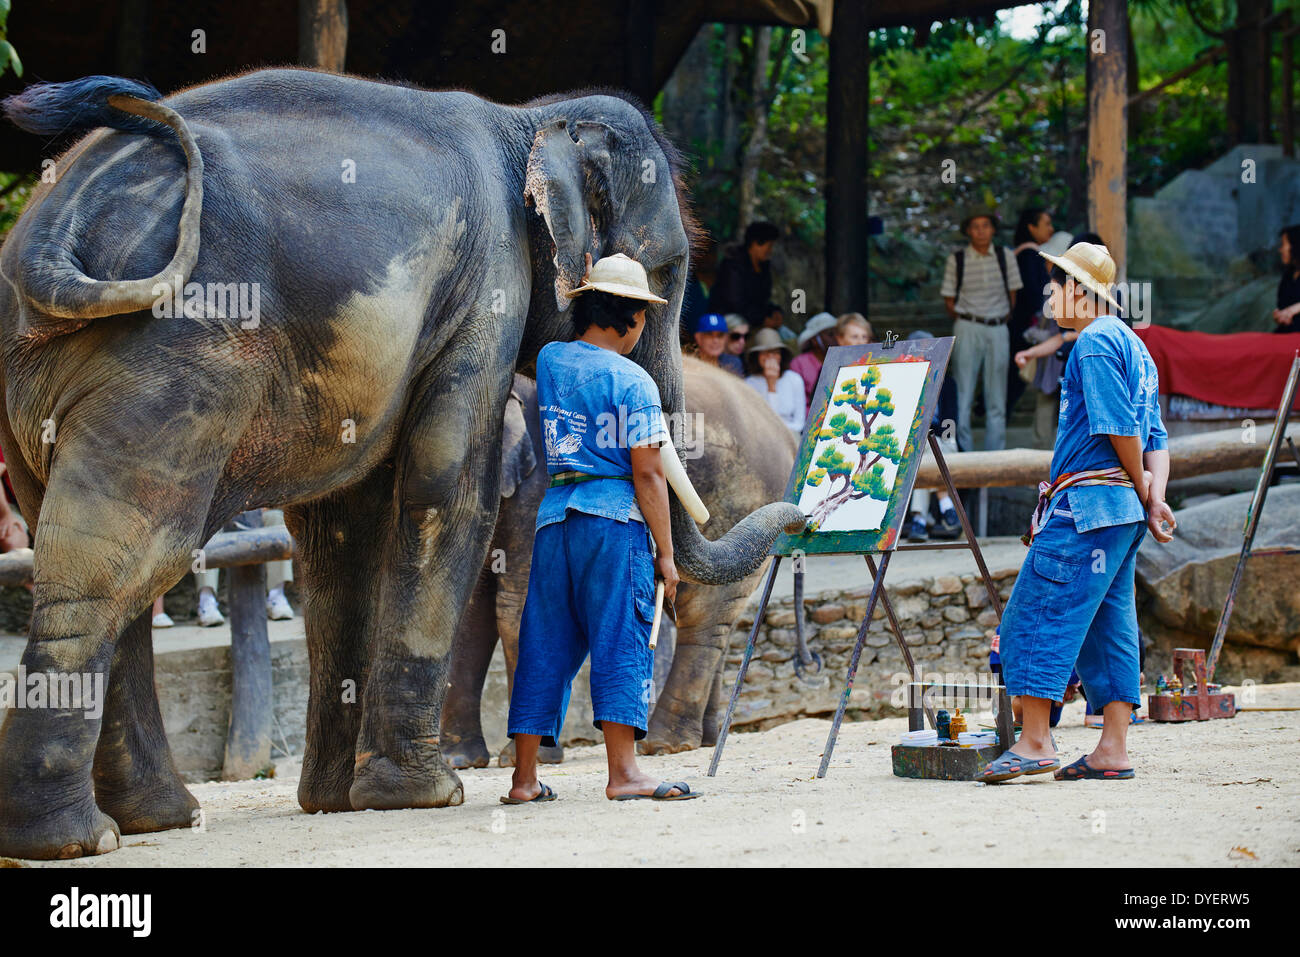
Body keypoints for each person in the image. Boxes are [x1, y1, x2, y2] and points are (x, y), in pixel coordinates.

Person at [506, 252, 698, 804]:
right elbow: (648, 472)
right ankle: (624, 774)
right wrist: (666, 551)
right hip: (615, 522)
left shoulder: (550, 361)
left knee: (543, 643)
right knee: (620, 637)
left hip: (556, 516)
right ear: (634, 318)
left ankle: (523, 781)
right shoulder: (635, 382)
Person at [981, 242, 1176, 784]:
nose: (1049, 294)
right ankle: (1112, 748)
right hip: (1121, 516)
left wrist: (1141, 490)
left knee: (1037, 613)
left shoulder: (1093, 340)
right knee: (1109, 624)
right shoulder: (1137, 346)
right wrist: (1154, 496)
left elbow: (1120, 429)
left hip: (1088, 507)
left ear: (1078, 290)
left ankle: (1036, 740)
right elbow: (1156, 435)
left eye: (1055, 283)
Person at [940, 209, 1023, 452]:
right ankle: (964, 456)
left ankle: (994, 457)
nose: (980, 231)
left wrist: (1000, 317)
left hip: (997, 327)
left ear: (993, 229)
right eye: (975, 226)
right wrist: (968, 318)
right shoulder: (957, 259)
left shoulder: (1005, 256)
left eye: (985, 225)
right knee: (963, 394)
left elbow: (1013, 295)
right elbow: (949, 300)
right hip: (967, 325)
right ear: (968, 231)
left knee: (997, 396)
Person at [902, 330, 961, 541]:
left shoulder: (948, 383)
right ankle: (947, 506)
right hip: (913, 442)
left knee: (930, 451)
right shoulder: (904, 383)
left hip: (943, 440)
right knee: (924, 449)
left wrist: (937, 439)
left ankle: (919, 520)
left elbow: (951, 422)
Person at [194, 508, 295, 626]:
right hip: (217, 515)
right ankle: (206, 600)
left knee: (277, 517)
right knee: (202, 526)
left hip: (254, 513)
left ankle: (277, 596)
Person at [1008, 208, 1054, 421]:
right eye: (1046, 223)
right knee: (1016, 379)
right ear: (1031, 227)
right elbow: (1035, 295)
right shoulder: (1030, 255)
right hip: (1027, 329)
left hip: (1020, 327)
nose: (1051, 229)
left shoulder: (1022, 254)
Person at [709, 221, 779, 329]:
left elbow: (762, 301)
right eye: (769, 246)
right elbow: (734, 303)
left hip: (753, 318)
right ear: (756, 243)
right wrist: (761, 319)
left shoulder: (764, 267)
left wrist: (775, 311)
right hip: (729, 317)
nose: (770, 251)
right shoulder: (732, 264)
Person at [744, 327, 805, 435]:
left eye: (775, 352)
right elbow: (756, 422)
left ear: (781, 356)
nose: (770, 357)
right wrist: (771, 385)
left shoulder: (794, 379)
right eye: (765, 353)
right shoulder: (750, 383)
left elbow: (799, 423)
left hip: (791, 438)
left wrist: (781, 431)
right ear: (757, 356)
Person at [1273, 224, 1300, 333]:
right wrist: (1281, 316)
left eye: (1283, 244)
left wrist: (1293, 310)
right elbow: (1282, 307)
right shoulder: (1288, 276)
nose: (1280, 250)